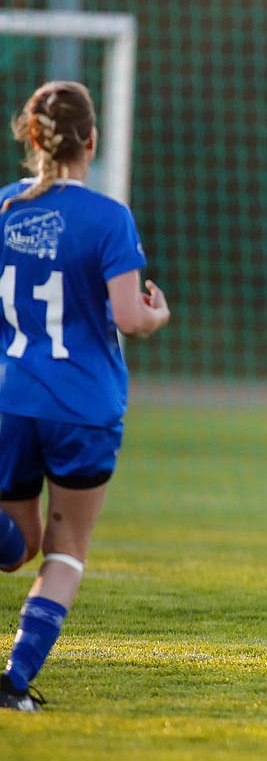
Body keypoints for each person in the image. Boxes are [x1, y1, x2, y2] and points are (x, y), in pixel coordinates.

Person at [0, 81, 171, 712]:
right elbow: (128, 318)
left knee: (15, 544)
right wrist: (158, 314)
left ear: (32, 139)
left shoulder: (3, 210)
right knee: (65, 549)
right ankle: (13, 683)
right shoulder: (108, 218)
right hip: (84, 408)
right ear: (91, 141)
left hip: (10, 401)